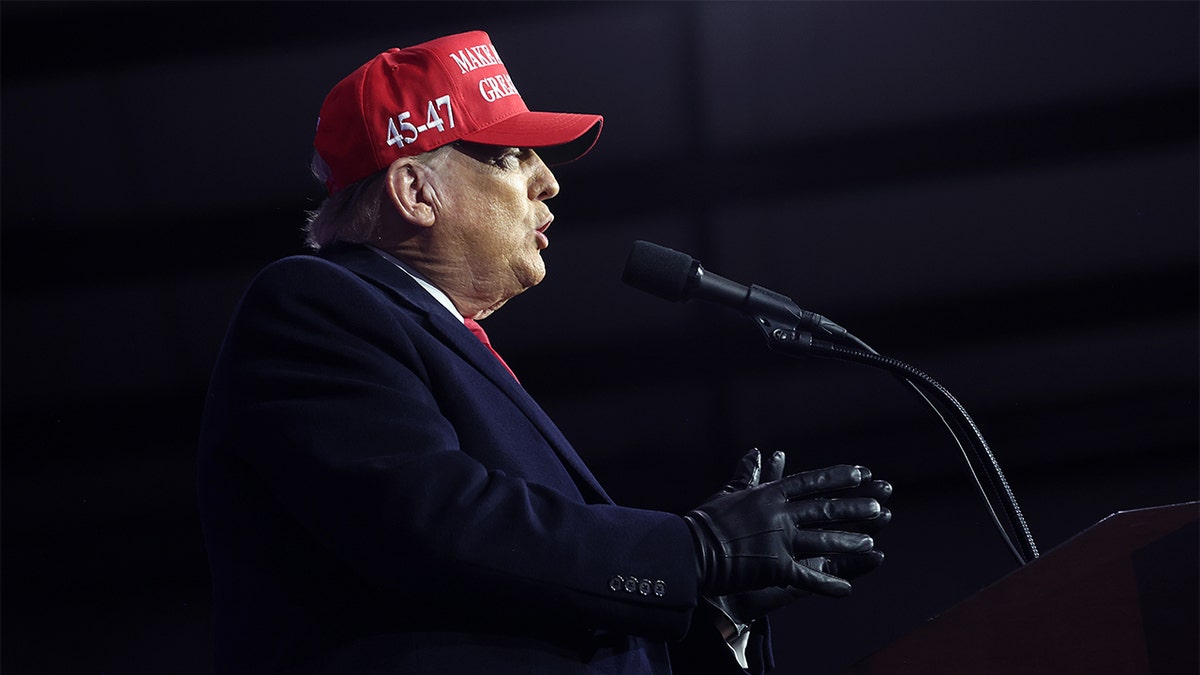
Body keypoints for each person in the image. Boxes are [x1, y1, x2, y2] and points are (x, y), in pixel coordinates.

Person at [197, 30, 892, 674]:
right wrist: (693, 551)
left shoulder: (442, 345)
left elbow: (538, 601)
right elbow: (437, 527)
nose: (547, 181)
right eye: (508, 156)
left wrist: (715, 609)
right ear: (415, 190)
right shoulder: (313, 304)